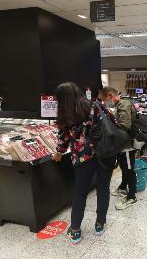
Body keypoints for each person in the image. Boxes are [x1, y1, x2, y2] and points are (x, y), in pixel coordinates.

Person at [53, 82, 116, 244]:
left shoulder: (66, 114)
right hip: (104, 154)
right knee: (103, 189)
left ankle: (75, 231)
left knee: (80, 193)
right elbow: (112, 121)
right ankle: (100, 225)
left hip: (82, 157)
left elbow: (63, 137)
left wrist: (59, 151)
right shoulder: (95, 105)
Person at [99, 87, 137, 210]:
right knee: (124, 168)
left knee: (128, 169)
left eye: (104, 99)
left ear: (110, 96)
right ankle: (122, 187)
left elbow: (125, 126)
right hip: (122, 145)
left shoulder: (123, 104)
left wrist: (110, 127)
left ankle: (132, 196)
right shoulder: (120, 104)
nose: (104, 102)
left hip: (126, 145)